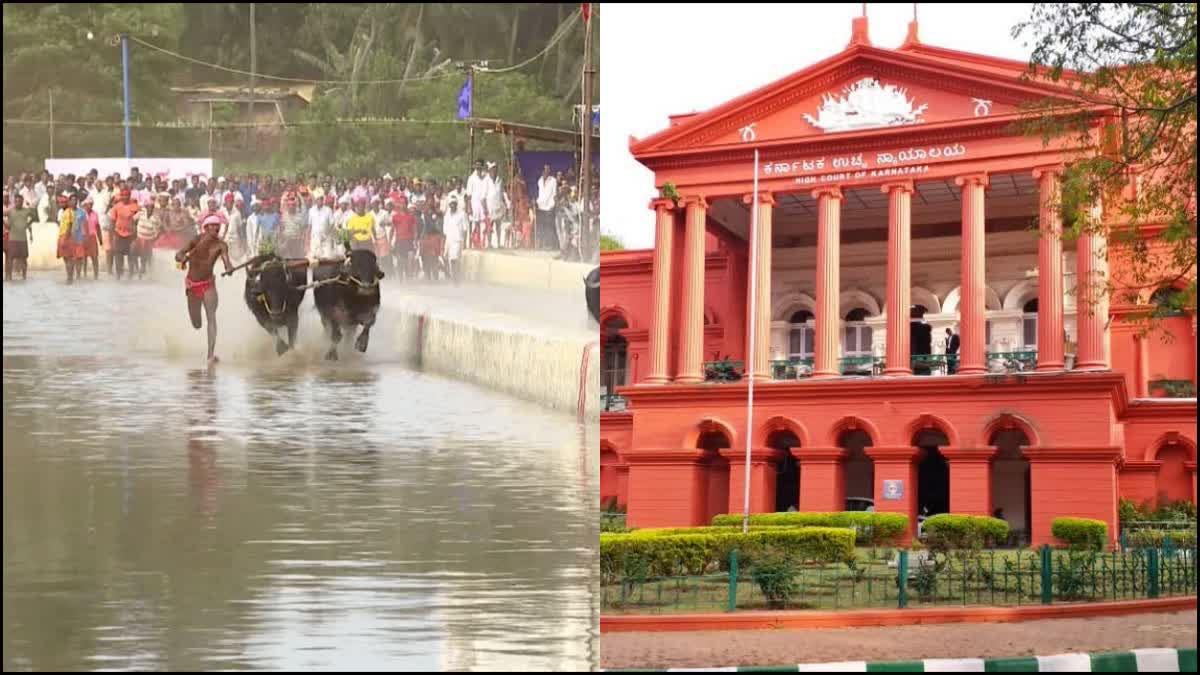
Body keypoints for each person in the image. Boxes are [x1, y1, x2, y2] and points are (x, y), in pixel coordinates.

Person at [176, 215, 233, 366]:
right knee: (196, 324)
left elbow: (227, 261)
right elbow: (179, 254)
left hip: (208, 284)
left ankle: (210, 355)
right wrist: (181, 258)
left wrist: (229, 268)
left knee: (211, 318)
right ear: (206, 228)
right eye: (213, 225)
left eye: (218, 226)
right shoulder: (195, 240)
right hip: (192, 285)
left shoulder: (221, 245)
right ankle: (208, 352)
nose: (217, 228)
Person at [108, 188, 140, 280]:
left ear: (129, 196)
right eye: (123, 195)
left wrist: (136, 235)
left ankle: (131, 275)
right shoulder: (116, 207)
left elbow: (139, 220)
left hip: (131, 235)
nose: (125, 197)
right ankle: (119, 275)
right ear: (121, 196)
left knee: (131, 255)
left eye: (127, 195)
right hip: (118, 234)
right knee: (118, 254)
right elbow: (112, 221)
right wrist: (113, 235)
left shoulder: (135, 206)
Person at [5, 193, 34, 280]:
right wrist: (4, 222)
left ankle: (24, 276)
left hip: (23, 239)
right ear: (14, 202)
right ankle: (9, 276)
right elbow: (7, 224)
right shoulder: (10, 211)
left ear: (22, 202)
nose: (18, 203)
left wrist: (28, 224)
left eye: (20, 201)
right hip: (13, 239)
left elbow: (34, 216)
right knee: (10, 258)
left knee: (24, 258)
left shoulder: (26, 211)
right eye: (16, 201)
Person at [442, 197, 467, 284]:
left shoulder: (462, 214)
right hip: (449, 240)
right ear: (449, 205)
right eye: (451, 204)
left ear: (456, 205)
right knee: (449, 260)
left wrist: (465, 242)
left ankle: (456, 278)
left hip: (458, 240)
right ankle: (455, 276)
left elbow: (465, 229)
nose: (452, 205)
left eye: (454, 204)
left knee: (454, 259)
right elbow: (445, 231)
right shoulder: (447, 216)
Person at [79, 196, 102, 280]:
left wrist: (100, 239)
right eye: (89, 204)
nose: (90, 206)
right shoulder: (81, 213)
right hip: (83, 237)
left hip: (92, 237)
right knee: (83, 258)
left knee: (94, 257)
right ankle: (83, 274)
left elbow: (97, 226)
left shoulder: (95, 213)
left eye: (91, 204)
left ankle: (96, 275)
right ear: (85, 205)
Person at [535, 164, 557, 249]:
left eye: (548, 169)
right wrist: (537, 202)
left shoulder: (553, 180)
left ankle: (550, 245)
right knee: (542, 226)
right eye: (545, 170)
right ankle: (542, 244)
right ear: (542, 171)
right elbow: (540, 193)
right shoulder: (539, 180)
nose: (547, 171)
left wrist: (553, 205)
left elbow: (554, 193)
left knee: (549, 227)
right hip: (541, 206)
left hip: (549, 206)